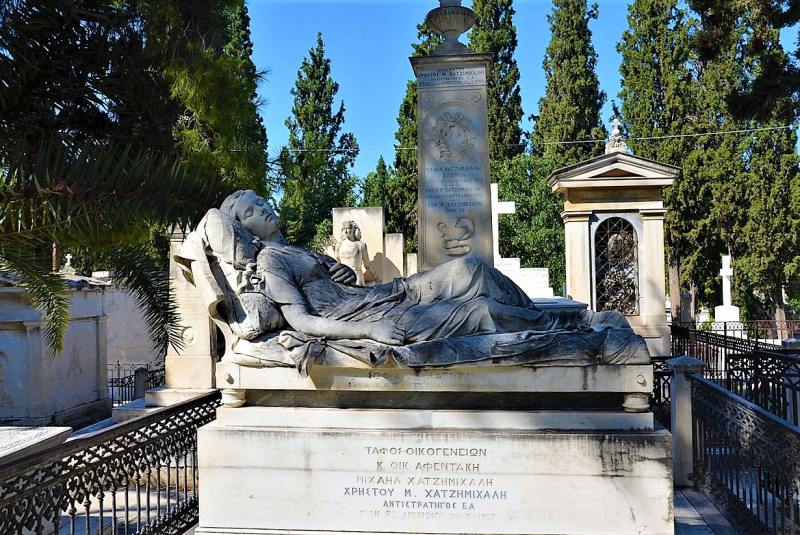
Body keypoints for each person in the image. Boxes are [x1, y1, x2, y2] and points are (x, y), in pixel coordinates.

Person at [181, 190, 649, 370]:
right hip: (376, 316)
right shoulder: (268, 264)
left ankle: (570, 323)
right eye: (249, 210)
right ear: (240, 226)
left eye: (261, 201)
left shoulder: (294, 250)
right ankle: (579, 335)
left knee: (473, 270)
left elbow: (328, 287)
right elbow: (302, 321)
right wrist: (369, 331)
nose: (263, 207)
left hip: (382, 294)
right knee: (479, 310)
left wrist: (337, 271)